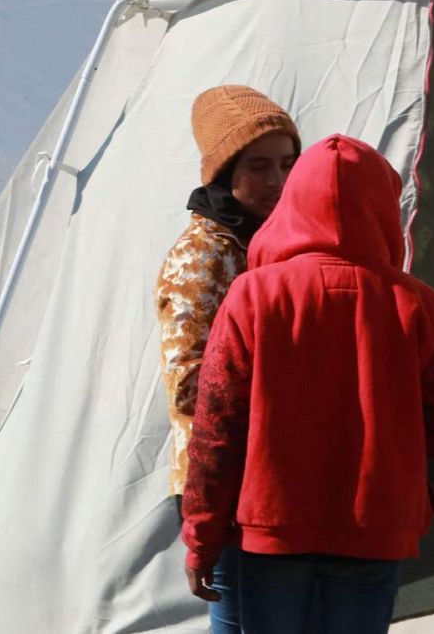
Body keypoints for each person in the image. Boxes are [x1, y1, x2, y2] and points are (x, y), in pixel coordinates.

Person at [182, 135, 434, 634]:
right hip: (375, 529)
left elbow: (216, 433)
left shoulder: (252, 296)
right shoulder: (422, 306)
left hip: (274, 531)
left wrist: (201, 538)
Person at [155, 84, 299, 631]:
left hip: (264, 467)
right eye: (259, 166)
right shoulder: (205, 253)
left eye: (288, 164)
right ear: (223, 173)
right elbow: (189, 385)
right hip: (220, 471)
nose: (278, 181)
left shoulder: (268, 241)